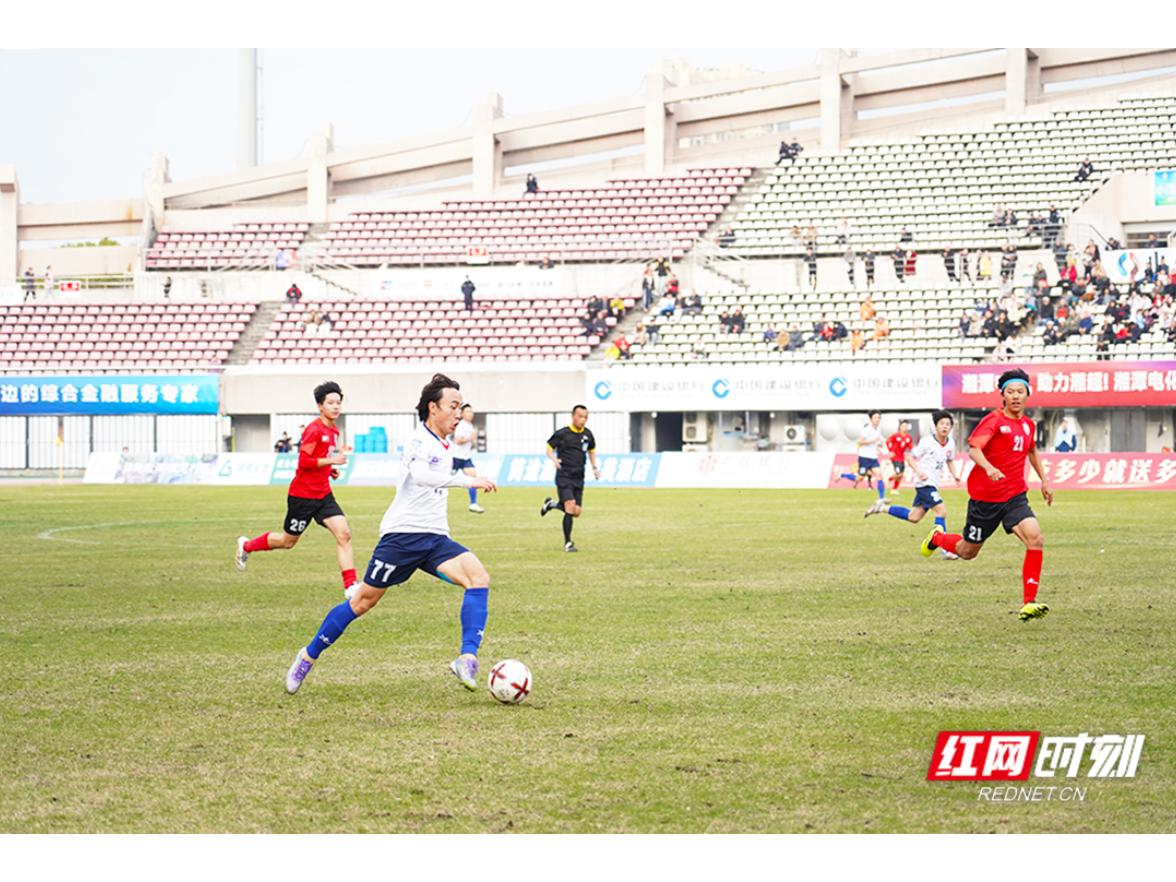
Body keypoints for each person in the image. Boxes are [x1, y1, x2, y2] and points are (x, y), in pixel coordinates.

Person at [284, 374, 498, 695]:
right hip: (402, 537)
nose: (459, 412)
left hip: (435, 538)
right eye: (453, 406)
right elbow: (423, 475)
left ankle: (466, 658)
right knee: (361, 603)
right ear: (432, 408)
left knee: (478, 578)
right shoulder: (417, 439)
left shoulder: (445, 443)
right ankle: (307, 656)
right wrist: (468, 481)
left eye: (460, 407)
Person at [919, 368, 1053, 622]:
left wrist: (1044, 481)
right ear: (1003, 395)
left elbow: (1032, 451)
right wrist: (989, 467)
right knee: (967, 551)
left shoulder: (1028, 425)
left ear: (1027, 395)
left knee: (1035, 538)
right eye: (1010, 392)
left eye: (1020, 392)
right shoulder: (993, 420)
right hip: (985, 500)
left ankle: (1029, 602)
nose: (1015, 396)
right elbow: (974, 449)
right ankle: (937, 538)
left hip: (1014, 496)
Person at [236, 381, 357, 596]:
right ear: (320, 406)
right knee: (287, 541)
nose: (336, 407)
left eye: (338, 403)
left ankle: (351, 586)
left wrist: (330, 470)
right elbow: (303, 461)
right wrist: (331, 462)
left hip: (324, 495)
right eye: (331, 403)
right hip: (302, 496)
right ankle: (246, 546)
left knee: (344, 534)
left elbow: (321, 459)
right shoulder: (314, 430)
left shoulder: (334, 431)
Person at [866, 411, 962, 559]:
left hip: (932, 484)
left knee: (914, 517)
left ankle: (880, 508)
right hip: (924, 483)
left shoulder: (951, 443)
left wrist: (955, 475)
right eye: (941, 424)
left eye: (947, 424)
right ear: (936, 426)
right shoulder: (926, 442)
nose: (944, 427)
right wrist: (919, 471)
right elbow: (910, 457)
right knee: (941, 511)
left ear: (951, 427)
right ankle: (945, 549)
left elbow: (949, 460)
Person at [539, 405, 599, 553]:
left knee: (576, 512)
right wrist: (554, 460)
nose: (583, 420)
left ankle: (551, 504)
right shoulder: (562, 434)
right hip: (564, 474)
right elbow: (549, 448)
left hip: (579, 476)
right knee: (570, 506)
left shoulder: (588, 435)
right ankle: (568, 543)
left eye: (585, 417)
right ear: (573, 417)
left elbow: (591, 451)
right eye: (580, 417)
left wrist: (595, 467)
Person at [837, 410, 887, 501]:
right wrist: (873, 441)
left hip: (873, 457)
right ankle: (843, 474)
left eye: (879, 418)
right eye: (875, 418)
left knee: (879, 476)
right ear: (871, 419)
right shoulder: (867, 429)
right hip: (864, 457)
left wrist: (878, 445)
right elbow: (860, 441)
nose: (877, 420)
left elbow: (874, 442)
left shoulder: (878, 430)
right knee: (859, 478)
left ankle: (882, 498)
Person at [450, 404, 484, 513]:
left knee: (473, 477)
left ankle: (473, 504)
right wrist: (470, 438)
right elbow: (458, 440)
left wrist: (471, 442)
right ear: (462, 414)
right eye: (468, 412)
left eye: (471, 412)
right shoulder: (461, 425)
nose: (470, 414)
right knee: (443, 480)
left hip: (465, 458)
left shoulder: (469, 425)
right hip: (456, 457)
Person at [884, 419, 914, 495]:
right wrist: (890, 451)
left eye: (906, 426)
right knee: (899, 473)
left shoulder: (908, 437)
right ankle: (889, 479)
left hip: (901, 458)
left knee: (900, 475)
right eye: (903, 426)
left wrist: (912, 453)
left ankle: (894, 489)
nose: (905, 427)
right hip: (895, 457)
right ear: (900, 427)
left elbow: (910, 446)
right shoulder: (896, 435)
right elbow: (888, 441)